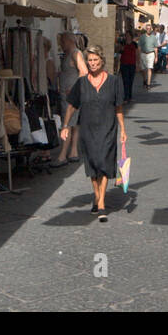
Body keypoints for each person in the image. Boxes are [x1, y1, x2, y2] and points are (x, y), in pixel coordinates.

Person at [60, 45, 126, 222]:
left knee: (104, 161)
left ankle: (102, 202)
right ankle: (96, 195)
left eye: (95, 60)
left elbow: (118, 106)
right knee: (93, 164)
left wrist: (123, 130)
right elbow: (72, 105)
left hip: (108, 127)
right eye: (90, 60)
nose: (92, 63)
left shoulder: (113, 81)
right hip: (87, 129)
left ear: (102, 61)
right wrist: (65, 125)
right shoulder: (81, 83)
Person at [53, 32, 81, 166]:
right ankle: (73, 152)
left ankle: (63, 155)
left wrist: (75, 88)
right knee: (74, 124)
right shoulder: (70, 54)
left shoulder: (75, 53)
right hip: (69, 96)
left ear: (69, 41)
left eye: (62, 42)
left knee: (67, 123)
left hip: (71, 97)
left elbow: (84, 72)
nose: (61, 45)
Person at [118, 30, 138, 103]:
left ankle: (130, 96)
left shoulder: (134, 44)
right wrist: (122, 46)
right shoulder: (122, 43)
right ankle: (126, 97)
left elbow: (137, 54)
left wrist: (138, 64)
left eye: (128, 35)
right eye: (126, 35)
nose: (127, 37)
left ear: (131, 36)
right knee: (125, 81)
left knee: (131, 81)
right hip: (124, 64)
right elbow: (120, 51)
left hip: (132, 64)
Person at [138, 23, 157, 89]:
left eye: (149, 29)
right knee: (143, 69)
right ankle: (144, 80)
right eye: (147, 28)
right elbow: (139, 46)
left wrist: (156, 57)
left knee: (149, 68)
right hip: (143, 53)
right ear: (146, 29)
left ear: (151, 29)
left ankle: (148, 84)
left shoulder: (153, 37)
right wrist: (139, 55)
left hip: (151, 54)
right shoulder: (142, 37)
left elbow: (155, 47)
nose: (148, 30)